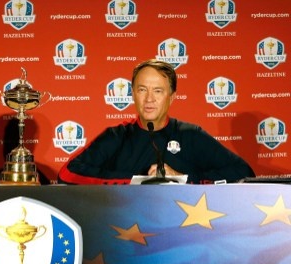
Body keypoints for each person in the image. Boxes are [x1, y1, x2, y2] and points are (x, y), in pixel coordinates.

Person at [58, 59, 255, 184]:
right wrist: (136, 182)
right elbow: (67, 173)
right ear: (133, 94)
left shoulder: (190, 134)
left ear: (172, 97)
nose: (149, 99)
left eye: (158, 91)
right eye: (142, 90)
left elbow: (243, 173)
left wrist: (182, 179)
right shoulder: (116, 136)